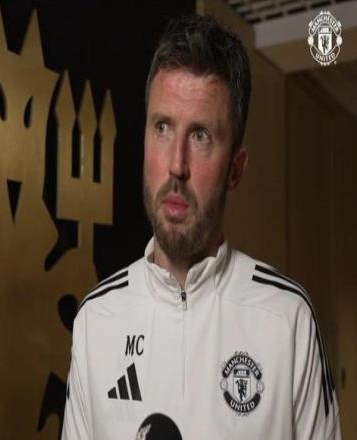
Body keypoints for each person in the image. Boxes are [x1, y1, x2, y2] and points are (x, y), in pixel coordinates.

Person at [61, 13, 341, 440]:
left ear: (235, 169)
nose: (176, 165)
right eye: (162, 128)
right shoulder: (96, 320)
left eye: (200, 136)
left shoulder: (288, 319)